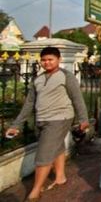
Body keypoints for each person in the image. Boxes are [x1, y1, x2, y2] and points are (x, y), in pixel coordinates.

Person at [5, 47, 89, 201]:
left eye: (50, 59)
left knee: (43, 154)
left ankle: (35, 192)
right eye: (44, 60)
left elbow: (77, 98)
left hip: (61, 118)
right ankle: (60, 176)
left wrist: (84, 119)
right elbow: (29, 104)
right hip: (42, 119)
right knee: (56, 146)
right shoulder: (37, 79)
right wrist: (16, 124)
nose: (47, 62)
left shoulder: (67, 76)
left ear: (59, 60)